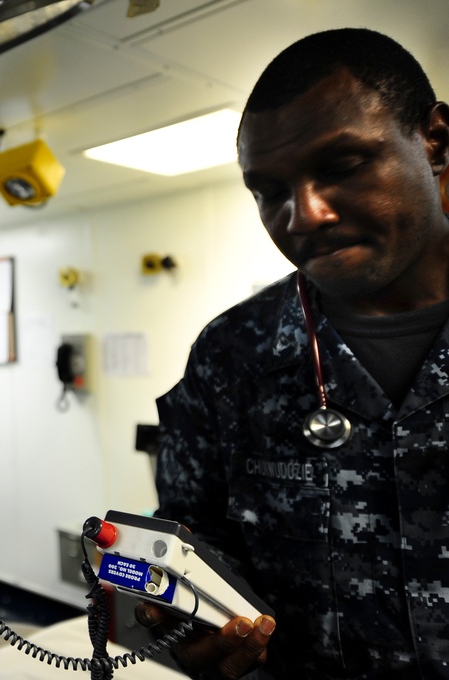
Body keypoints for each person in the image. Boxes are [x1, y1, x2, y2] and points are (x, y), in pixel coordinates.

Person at [138, 28, 449, 679]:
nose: (302, 216)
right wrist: (180, 627)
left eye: (341, 167)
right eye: (269, 191)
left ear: (436, 143)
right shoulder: (231, 358)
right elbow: (191, 547)